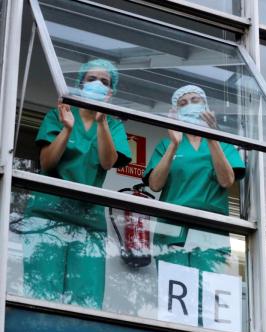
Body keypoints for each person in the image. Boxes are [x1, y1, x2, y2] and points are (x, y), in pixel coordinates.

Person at [21, 59, 132, 309]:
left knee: (86, 298)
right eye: (91, 79)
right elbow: (47, 162)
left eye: (104, 82)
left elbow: (107, 161)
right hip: (47, 215)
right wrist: (67, 130)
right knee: (42, 292)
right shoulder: (58, 116)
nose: (97, 84)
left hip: (88, 219)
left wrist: (102, 122)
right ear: (80, 84)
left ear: (110, 92)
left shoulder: (112, 125)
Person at [143, 85, 245, 275]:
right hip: (172, 231)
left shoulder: (222, 143)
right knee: (174, 296)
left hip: (210, 232)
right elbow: (155, 184)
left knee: (207, 296)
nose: (189, 105)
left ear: (205, 106)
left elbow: (227, 180)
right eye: (183, 103)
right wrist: (174, 144)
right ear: (176, 112)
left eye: (195, 101)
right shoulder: (166, 145)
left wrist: (212, 137)